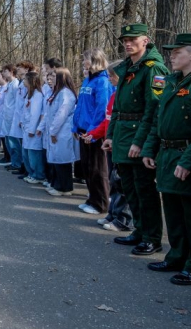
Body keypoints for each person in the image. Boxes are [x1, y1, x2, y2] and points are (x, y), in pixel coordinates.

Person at [140, 33, 191, 286]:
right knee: (173, 212)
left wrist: (188, 161)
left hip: (188, 155)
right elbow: (158, 118)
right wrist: (149, 149)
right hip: (166, 154)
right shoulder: (172, 81)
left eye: (177, 52)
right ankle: (176, 256)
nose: (171, 56)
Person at [102, 23, 169, 256]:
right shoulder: (127, 67)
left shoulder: (154, 68)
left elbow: (154, 108)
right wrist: (110, 136)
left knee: (144, 191)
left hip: (138, 135)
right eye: (124, 40)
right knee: (129, 188)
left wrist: (140, 142)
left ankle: (152, 237)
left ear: (145, 40)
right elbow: (118, 107)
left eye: (133, 39)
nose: (128, 43)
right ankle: (139, 231)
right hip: (122, 135)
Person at [86, 61, 134, 232]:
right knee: (113, 182)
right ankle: (114, 213)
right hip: (109, 144)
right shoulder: (115, 94)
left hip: (120, 145)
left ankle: (124, 219)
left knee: (121, 183)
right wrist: (95, 134)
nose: (110, 78)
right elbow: (107, 121)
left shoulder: (127, 96)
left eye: (112, 75)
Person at [74, 49, 114, 214]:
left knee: (98, 169)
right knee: (87, 167)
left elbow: (101, 109)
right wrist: (75, 126)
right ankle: (92, 199)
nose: (84, 62)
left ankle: (101, 203)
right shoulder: (87, 80)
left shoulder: (103, 82)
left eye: (86, 59)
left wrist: (92, 131)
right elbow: (81, 106)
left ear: (95, 61)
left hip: (94, 131)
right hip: (83, 130)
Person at [42, 68, 79, 196]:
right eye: (49, 76)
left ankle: (65, 188)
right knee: (56, 160)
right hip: (56, 131)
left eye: (54, 76)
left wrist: (53, 131)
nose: (50, 79)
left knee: (63, 160)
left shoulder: (66, 94)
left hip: (62, 132)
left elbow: (61, 114)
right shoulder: (57, 92)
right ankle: (57, 184)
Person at [21, 71, 46, 185]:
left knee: (34, 153)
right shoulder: (29, 93)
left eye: (25, 79)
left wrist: (32, 129)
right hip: (26, 127)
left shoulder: (37, 95)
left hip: (33, 130)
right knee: (27, 152)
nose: (23, 81)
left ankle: (38, 175)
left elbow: (35, 114)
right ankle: (32, 173)